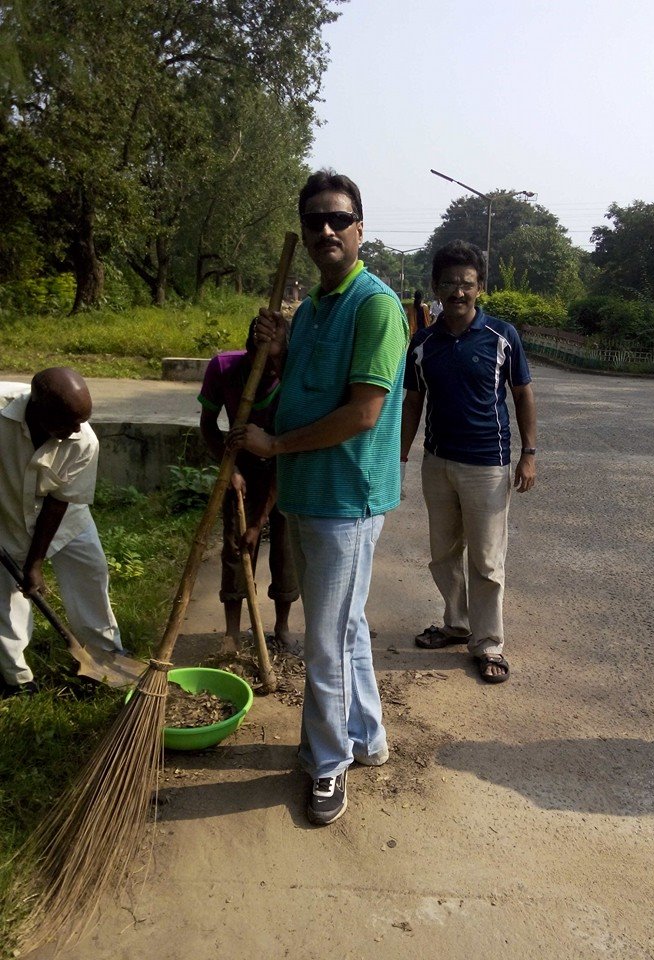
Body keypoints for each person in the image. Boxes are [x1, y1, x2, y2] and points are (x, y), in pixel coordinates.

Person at [231, 169, 408, 825]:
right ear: (304, 233)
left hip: (345, 501)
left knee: (325, 640)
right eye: (314, 221)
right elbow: (297, 392)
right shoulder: (310, 310)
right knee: (347, 625)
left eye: (338, 219)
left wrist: (274, 449)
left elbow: (363, 414)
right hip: (307, 494)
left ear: (361, 228)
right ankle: (368, 739)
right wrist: (275, 350)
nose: (326, 230)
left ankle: (327, 766)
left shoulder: (375, 306)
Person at [400, 240, 536, 684]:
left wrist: (528, 453)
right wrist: (400, 454)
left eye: (467, 284)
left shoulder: (502, 337)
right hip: (437, 463)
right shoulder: (422, 342)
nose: (458, 292)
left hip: (488, 465)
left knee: (487, 559)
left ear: (480, 288)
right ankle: (457, 625)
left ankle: (489, 643)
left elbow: (522, 394)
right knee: (443, 553)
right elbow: (413, 401)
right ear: (436, 287)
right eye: (450, 284)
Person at [0, 369, 124, 697]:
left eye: (82, 420)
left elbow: (59, 503)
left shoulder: (83, 440)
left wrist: (35, 562)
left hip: (66, 520)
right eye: (69, 421)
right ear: (40, 411)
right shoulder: (2, 411)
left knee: (91, 577)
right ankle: (17, 680)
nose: (77, 429)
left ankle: (106, 659)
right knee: (5, 602)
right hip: (7, 516)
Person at [198, 322, 299, 651]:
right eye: (261, 357)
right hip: (240, 465)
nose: (268, 366)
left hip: (284, 465)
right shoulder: (224, 368)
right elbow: (208, 425)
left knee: (285, 550)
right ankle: (232, 632)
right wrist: (230, 471)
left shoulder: (291, 376)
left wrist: (259, 522)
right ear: (249, 350)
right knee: (237, 546)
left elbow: (290, 447)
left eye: (274, 359)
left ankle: (281, 627)